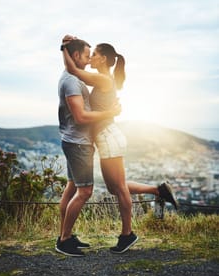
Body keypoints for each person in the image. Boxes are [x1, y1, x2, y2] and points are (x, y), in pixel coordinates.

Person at [62, 35, 178, 254]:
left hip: (108, 137)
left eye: (94, 54)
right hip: (107, 137)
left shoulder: (105, 79)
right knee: (116, 188)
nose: (91, 58)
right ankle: (158, 190)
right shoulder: (104, 78)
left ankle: (127, 235)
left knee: (120, 188)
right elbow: (77, 73)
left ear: (104, 59)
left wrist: (64, 47)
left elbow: (74, 71)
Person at [55, 38, 121, 257]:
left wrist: (64, 47)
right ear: (76, 57)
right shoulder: (73, 81)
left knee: (72, 187)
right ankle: (64, 240)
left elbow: (71, 66)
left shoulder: (73, 76)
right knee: (85, 191)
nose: (88, 58)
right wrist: (109, 114)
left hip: (74, 140)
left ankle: (65, 234)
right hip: (78, 143)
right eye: (86, 55)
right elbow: (81, 116)